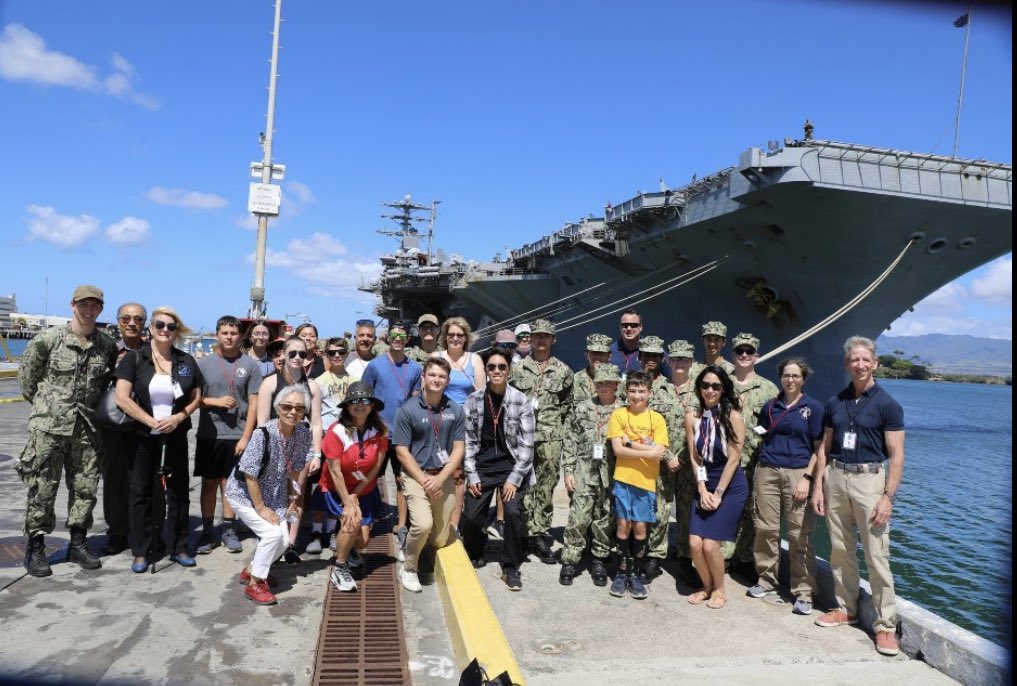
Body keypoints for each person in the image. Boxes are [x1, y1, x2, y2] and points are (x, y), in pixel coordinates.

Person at [812, 336, 905, 657]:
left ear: (875, 363)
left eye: (866, 359)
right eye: (855, 360)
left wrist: (888, 497)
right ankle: (846, 608)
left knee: (876, 555)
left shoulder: (888, 405)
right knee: (840, 550)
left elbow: (896, 455)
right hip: (835, 477)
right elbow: (823, 448)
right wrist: (818, 488)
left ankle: (885, 626)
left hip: (870, 481)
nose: (860, 364)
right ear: (846, 364)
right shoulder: (834, 403)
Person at [17, 284, 118, 576]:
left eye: (94, 306)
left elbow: (104, 385)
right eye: (83, 305)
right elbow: (28, 382)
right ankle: (35, 547)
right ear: (72, 305)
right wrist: (50, 408)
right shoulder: (47, 340)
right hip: (49, 428)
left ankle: (78, 542)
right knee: (42, 488)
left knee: (85, 487)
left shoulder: (106, 346)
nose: (88, 311)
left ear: (100, 309)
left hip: (87, 429)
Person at [115, 305, 203, 572]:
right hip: (142, 436)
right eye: (160, 325)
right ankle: (141, 551)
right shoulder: (135, 359)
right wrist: (150, 421)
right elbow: (122, 398)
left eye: (171, 326)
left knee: (178, 493)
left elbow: (197, 396)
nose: (165, 330)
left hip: (175, 436)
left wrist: (178, 417)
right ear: (151, 328)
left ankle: (179, 546)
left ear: (176, 331)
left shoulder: (186, 361)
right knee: (141, 493)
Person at [749, 357, 822, 615]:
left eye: (795, 376)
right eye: (786, 375)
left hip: (798, 473)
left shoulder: (813, 408)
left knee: (798, 535)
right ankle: (766, 579)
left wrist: (808, 478)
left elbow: (819, 448)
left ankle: (803, 591)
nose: (790, 380)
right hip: (768, 470)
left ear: (803, 379)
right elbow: (761, 432)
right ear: (781, 378)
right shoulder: (771, 406)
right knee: (765, 529)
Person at [225, 384, 311, 605]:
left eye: (299, 408)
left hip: (276, 494)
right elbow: (249, 474)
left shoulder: (302, 433)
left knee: (284, 541)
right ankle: (255, 583)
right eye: (287, 406)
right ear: (277, 408)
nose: (293, 412)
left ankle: (253, 569)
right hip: (245, 494)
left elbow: (295, 468)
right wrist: (261, 508)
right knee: (272, 535)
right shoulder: (262, 434)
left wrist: (293, 498)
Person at [462, 348, 535, 591]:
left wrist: (514, 479)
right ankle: (477, 549)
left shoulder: (520, 401)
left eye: (501, 367)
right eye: (491, 367)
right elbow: (469, 441)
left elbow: (527, 447)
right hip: (482, 466)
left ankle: (511, 566)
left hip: (510, 466)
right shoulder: (473, 400)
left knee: (513, 514)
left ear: (509, 371)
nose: (496, 371)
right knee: (471, 516)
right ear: (485, 371)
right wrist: (471, 474)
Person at [393, 357, 466, 593]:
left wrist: (441, 478)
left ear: (447, 381)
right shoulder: (408, 410)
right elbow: (402, 451)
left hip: (441, 476)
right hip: (416, 476)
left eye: (442, 377)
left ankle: (415, 544)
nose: (437, 380)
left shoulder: (454, 410)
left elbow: (458, 449)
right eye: (432, 375)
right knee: (423, 525)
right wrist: (424, 479)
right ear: (423, 377)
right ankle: (409, 568)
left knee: (440, 539)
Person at [195, 315, 263, 555]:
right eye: (224, 333)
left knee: (231, 484)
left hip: (237, 435)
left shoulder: (250, 365)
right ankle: (206, 531)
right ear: (217, 335)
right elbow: (194, 400)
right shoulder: (203, 364)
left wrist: (246, 437)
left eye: (233, 333)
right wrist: (215, 401)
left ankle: (228, 529)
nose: (229, 337)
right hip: (209, 434)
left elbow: (254, 403)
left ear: (240, 336)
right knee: (209, 483)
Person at [509, 318, 573, 564]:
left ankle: (540, 534)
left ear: (553, 339)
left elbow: (567, 404)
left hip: (550, 437)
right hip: (522, 437)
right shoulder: (517, 369)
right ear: (530, 339)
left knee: (546, 486)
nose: (541, 340)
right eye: (536, 336)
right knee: (523, 484)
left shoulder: (563, 371)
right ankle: (523, 532)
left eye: (546, 336)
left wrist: (557, 428)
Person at [685, 365, 748, 609]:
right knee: (694, 544)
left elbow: (734, 457)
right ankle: (707, 586)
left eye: (716, 386)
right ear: (699, 388)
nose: (710, 390)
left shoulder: (733, 416)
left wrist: (718, 493)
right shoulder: (692, 417)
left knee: (711, 545)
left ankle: (720, 589)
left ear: (723, 389)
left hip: (730, 485)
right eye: (705, 385)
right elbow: (695, 457)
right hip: (705, 481)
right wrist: (702, 488)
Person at [257, 336, 324, 562]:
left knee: (295, 494)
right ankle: (274, 540)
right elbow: (262, 422)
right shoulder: (270, 383)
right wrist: (264, 453)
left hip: (302, 445)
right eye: (292, 353)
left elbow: (315, 423)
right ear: (283, 354)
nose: (297, 358)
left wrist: (316, 453)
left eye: (302, 354)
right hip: (275, 445)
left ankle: (291, 543)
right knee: (273, 495)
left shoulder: (312, 386)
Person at [362, 321, 422, 561]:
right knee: (372, 477)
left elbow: (416, 398)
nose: (398, 339)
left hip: (403, 434)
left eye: (402, 336)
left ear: (407, 339)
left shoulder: (416, 368)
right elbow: (364, 397)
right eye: (394, 335)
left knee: (401, 480)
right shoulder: (375, 366)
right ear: (388, 338)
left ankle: (401, 523)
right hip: (378, 432)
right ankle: (371, 517)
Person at [606, 371, 669, 599]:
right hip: (623, 479)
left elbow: (660, 453)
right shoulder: (620, 415)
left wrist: (631, 443)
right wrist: (648, 450)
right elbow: (617, 450)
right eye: (632, 391)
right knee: (624, 526)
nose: (637, 395)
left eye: (642, 391)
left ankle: (635, 572)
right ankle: (622, 572)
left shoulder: (657, 419)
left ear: (649, 393)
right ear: (626, 392)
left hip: (646, 482)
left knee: (641, 528)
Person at [320, 382, 388, 592]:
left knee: (363, 541)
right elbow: (334, 470)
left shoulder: (380, 431)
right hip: (335, 488)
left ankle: (348, 548)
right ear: (347, 405)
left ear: (372, 406)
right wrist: (348, 501)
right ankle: (339, 568)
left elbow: (376, 467)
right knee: (351, 521)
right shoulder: (336, 431)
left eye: (365, 400)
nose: (360, 405)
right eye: (355, 401)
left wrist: (356, 495)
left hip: (363, 490)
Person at [559, 363, 623, 587]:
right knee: (578, 517)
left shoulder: (624, 411)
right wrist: (568, 471)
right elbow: (570, 440)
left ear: (616, 385)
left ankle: (599, 559)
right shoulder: (583, 408)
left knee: (605, 518)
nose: (604, 386)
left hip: (612, 474)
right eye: (600, 382)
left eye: (608, 383)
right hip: (585, 471)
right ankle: (570, 559)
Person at [724, 333, 779, 578]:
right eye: (740, 351)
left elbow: (777, 425)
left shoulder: (769, 389)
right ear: (733, 355)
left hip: (755, 460)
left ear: (756, 356)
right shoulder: (721, 383)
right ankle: (724, 555)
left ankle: (744, 558)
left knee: (750, 511)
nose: (744, 355)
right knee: (725, 509)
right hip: (724, 460)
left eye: (749, 351)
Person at [100, 301, 146, 556]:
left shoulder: (153, 352)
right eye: (126, 318)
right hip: (114, 425)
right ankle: (117, 532)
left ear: (144, 324)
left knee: (146, 480)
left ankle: (146, 529)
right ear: (118, 322)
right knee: (115, 480)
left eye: (138, 319)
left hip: (144, 424)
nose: (132, 323)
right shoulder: (105, 351)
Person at [639, 335, 683, 582]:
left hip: (665, 462)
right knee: (641, 508)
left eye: (656, 356)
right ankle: (639, 552)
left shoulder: (669, 388)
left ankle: (654, 557)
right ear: (640, 357)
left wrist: (668, 455)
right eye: (647, 355)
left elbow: (674, 426)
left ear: (661, 358)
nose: (651, 360)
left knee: (662, 509)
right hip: (641, 460)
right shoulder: (633, 386)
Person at [663, 339, 700, 583]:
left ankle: (687, 560)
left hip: (690, 463)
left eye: (685, 359)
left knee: (687, 512)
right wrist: (668, 456)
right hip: (662, 462)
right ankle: (654, 558)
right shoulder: (657, 389)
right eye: (676, 358)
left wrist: (684, 457)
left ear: (692, 362)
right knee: (659, 510)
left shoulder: (702, 391)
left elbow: (706, 430)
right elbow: (647, 427)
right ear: (668, 361)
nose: (680, 363)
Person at [608, 309, 672, 379]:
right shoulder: (609, 351)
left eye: (633, 325)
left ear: (640, 327)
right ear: (620, 327)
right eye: (624, 325)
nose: (629, 329)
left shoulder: (655, 351)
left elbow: (671, 376)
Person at [437, 317, 486, 405]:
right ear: (445, 337)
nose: (455, 338)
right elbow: (426, 391)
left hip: (466, 414)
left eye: (459, 335)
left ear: (466, 338)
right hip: (440, 414)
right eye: (451, 335)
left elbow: (480, 395)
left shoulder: (475, 359)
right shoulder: (436, 357)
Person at [570, 333, 612, 408]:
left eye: (601, 353)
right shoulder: (575, 380)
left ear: (609, 356)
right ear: (586, 355)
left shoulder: (617, 383)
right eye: (594, 353)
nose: (597, 357)